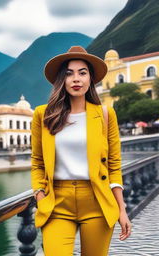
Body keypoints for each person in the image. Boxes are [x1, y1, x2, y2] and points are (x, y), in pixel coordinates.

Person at [31, 46, 132, 256]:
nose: (76, 79)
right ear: (62, 80)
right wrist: (40, 196)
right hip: (57, 203)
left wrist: (122, 210)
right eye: (69, 73)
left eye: (82, 72)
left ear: (91, 78)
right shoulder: (43, 115)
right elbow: (37, 161)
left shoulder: (105, 114)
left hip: (97, 201)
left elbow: (114, 165)